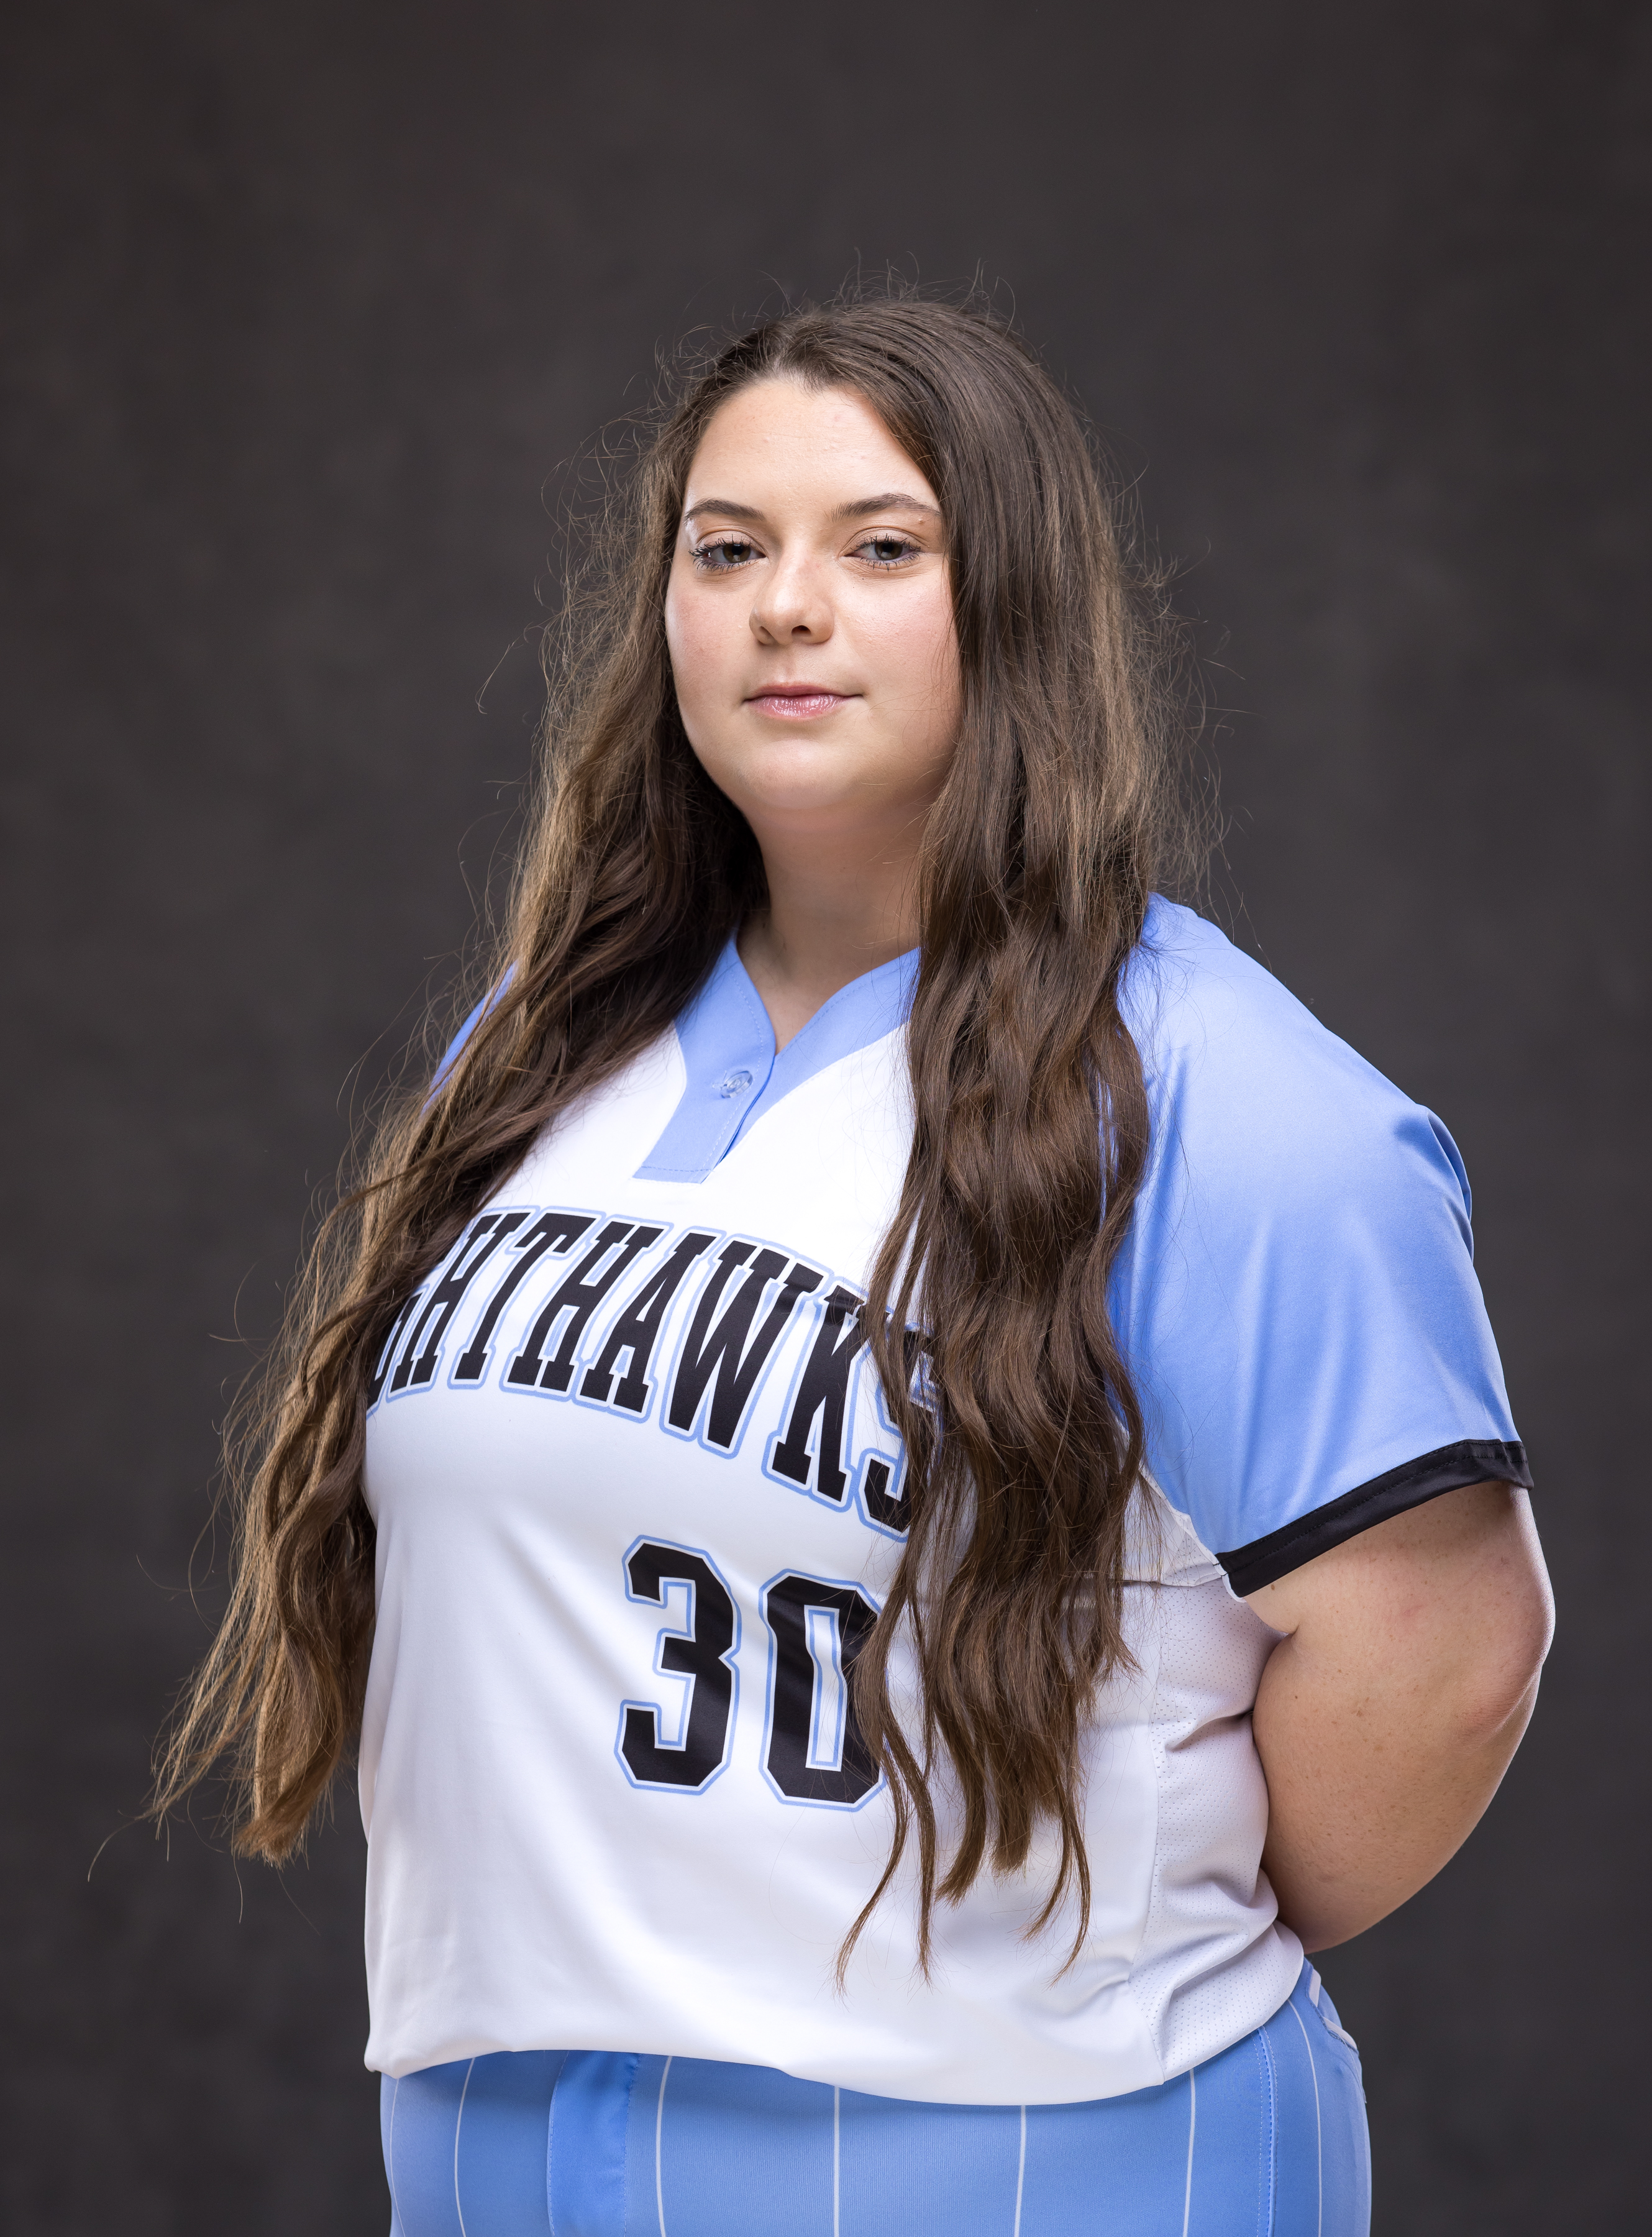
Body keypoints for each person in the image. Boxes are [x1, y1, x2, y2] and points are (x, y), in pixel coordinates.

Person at [157, 291, 1553, 2236]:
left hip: (1026, 2152)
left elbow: (1444, 1654)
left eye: (881, 549)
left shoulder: (1229, 1100)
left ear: (1020, 610)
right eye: (724, 551)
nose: (783, 607)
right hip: (502, 2134)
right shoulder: (543, 1045)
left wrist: (1105, 1948)